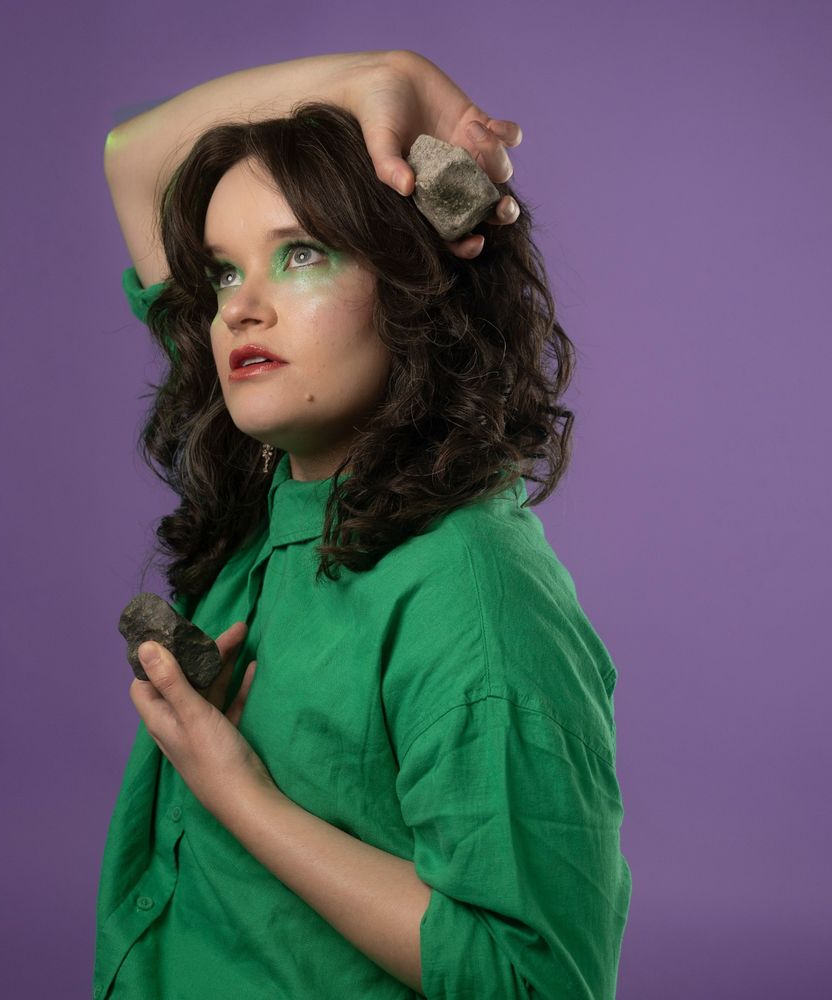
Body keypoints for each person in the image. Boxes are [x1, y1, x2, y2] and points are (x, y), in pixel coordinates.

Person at [95, 49, 632, 1000]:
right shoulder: (280, 487)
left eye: (301, 254)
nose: (240, 310)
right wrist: (375, 79)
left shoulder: (473, 600)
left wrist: (240, 796)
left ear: (414, 289)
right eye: (222, 273)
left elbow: (531, 979)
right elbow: (135, 156)